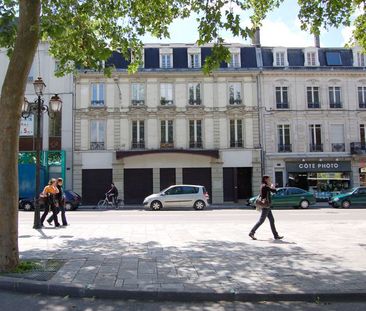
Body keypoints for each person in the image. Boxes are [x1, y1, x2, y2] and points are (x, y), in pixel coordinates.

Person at [249, 175, 283, 240]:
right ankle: (251, 232)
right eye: (269, 179)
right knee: (261, 221)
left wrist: (271, 186)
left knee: (272, 220)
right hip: (266, 206)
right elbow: (274, 191)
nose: (270, 180)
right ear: (265, 179)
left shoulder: (264, 185)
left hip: (267, 206)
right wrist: (273, 186)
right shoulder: (265, 186)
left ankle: (276, 235)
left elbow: (270, 190)